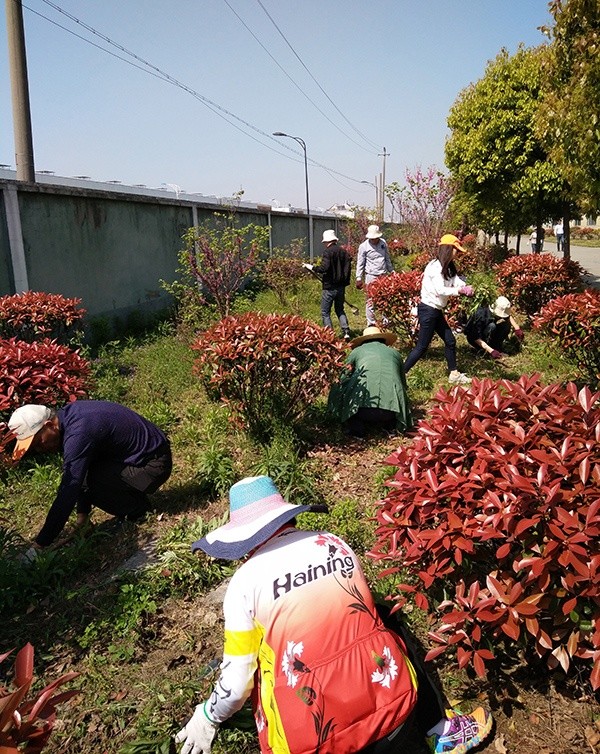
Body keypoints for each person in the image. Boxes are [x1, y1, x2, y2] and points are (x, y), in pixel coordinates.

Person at [175, 475, 493, 754]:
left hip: (314, 743)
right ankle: (439, 729)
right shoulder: (333, 543)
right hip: (396, 716)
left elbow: (236, 684)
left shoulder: (244, 583)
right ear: (286, 516)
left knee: (259, 659)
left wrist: (208, 717)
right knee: (384, 616)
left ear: (242, 536)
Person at [8, 400, 172, 559]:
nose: (39, 449)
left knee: (87, 481)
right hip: (138, 459)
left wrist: (40, 544)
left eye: (38, 442)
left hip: (153, 466)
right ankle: (103, 513)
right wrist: (83, 517)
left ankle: (137, 510)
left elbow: (69, 491)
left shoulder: (79, 433)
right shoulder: (71, 416)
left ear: (49, 425)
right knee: (82, 473)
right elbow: (82, 470)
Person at [403, 234, 474, 385]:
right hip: (428, 310)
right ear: (448, 249)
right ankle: (400, 374)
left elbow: (456, 280)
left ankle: (454, 374)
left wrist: (467, 286)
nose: (457, 253)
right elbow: (440, 290)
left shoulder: (448, 266)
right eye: (456, 250)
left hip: (436, 310)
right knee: (422, 347)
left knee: (450, 341)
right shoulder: (435, 267)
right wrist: (460, 291)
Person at [328, 326, 412, 437]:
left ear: (363, 341)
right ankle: (390, 427)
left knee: (347, 386)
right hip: (391, 411)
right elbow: (403, 383)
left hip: (361, 411)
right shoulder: (395, 353)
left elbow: (343, 377)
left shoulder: (356, 352)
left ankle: (356, 430)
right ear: (383, 340)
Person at [303, 230, 352, 340]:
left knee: (325, 312)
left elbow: (324, 268)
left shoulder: (327, 252)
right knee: (340, 310)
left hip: (329, 287)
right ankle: (346, 332)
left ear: (327, 241)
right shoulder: (344, 252)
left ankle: (330, 335)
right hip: (341, 287)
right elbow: (347, 268)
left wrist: (311, 267)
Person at [355, 224, 394, 326]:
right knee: (370, 300)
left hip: (383, 275)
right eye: (372, 238)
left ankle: (386, 321)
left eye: (376, 238)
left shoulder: (383, 243)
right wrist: (358, 277)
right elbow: (360, 263)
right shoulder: (363, 246)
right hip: (371, 276)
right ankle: (371, 323)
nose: (374, 240)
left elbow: (387, 258)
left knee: (385, 298)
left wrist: (392, 272)